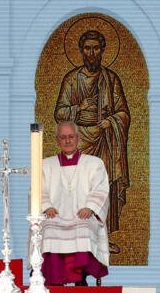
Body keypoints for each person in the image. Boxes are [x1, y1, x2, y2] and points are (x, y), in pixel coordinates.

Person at [53, 29, 130, 252]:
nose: (91, 52)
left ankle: (102, 237)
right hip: (80, 142)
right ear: (81, 51)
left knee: (103, 189)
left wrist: (110, 122)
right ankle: (78, 236)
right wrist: (79, 108)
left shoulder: (111, 79)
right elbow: (59, 112)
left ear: (103, 50)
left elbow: (123, 112)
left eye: (96, 48)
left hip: (104, 140)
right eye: (87, 48)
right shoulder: (72, 79)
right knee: (77, 189)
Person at [40, 121, 110, 286]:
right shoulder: (46, 164)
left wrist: (90, 207)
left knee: (83, 226)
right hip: (54, 214)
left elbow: (101, 189)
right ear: (57, 140)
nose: (67, 141)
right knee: (49, 227)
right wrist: (46, 206)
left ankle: (81, 278)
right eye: (63, 137)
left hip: (83, 214)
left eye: (71, 136)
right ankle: (55, 280)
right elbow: (37, 191)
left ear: (78, 138)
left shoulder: (94, 163)